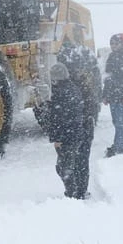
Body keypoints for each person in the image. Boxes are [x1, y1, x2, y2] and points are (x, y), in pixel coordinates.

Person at [47, 63, 87, 199]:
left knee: (64, 167)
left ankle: (72, 194)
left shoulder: (59, 93)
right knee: (73, 164)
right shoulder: (73, 89)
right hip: (76, 133)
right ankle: (77, 191)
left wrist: (57, 138)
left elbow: (58, 118)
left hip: (67, 136)